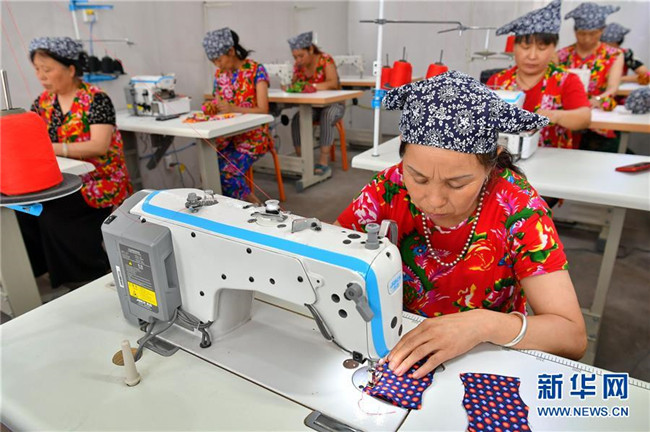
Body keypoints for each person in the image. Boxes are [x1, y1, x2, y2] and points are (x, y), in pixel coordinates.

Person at [336, 71, 587, 378]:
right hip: (400, 342)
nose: (434, 201)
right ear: (402, 150)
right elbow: (329, 252)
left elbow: (572, 336)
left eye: (457, 184)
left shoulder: (519, 209)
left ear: (492, 163)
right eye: (418, 177)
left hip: (483, 356)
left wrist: (484, 325)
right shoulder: (389, 187)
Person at [20, 36, 132, 289]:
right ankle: (42, 271)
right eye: (37, 69)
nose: (41, 76)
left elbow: (99, 145)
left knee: (53, 215)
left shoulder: (96, 99)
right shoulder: (42, 103)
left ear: (70, 69)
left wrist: (52, 148)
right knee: (23, 210)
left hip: (99, 182)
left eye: (47, 69)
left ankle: (86, 277)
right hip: (61, 179)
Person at [488, 0, 591, 149]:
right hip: (503, 156)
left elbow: (584, 118)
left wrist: (556, 116)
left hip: (551, 157)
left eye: (541, 48)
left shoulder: (565, 81)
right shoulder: (498, 81)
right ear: (514, 47)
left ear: (554, 48)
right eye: (525, 47)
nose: (532, 56)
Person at [201, 27, 272, 204]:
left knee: (227, 172)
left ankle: (256, 207)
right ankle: (228, 207)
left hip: (253, 138)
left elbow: (263, 109)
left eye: (219, 60)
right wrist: (212, 107)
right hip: (227, 137)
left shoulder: (256, 70)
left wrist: (233, 107)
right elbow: (219, 104)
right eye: (213, 62)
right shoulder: (220, 74)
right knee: (208, 166)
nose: (217, 65)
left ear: (231, 51)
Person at [557, 2, 624, 152]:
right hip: (568, 117)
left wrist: (596, 100)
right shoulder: (562, 55)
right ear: (575, 31)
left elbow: (613, 88)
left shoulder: (613, 55)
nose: (587, 39)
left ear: (602, 30)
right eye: (582, 34)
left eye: (593, 34)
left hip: (597, 116)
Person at [287, 31, 343, 176]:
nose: (298, 60)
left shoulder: (325, 60)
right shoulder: (298, 66)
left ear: (311, 49)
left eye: (301, 56)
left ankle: (323, 161)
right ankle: (302, 162)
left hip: (334, 104)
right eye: (295, 57)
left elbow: (333, 83)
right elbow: (293, 84)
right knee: (297, 119)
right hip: (312, 106)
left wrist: (312, 86)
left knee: (327, 116)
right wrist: (288, 84)